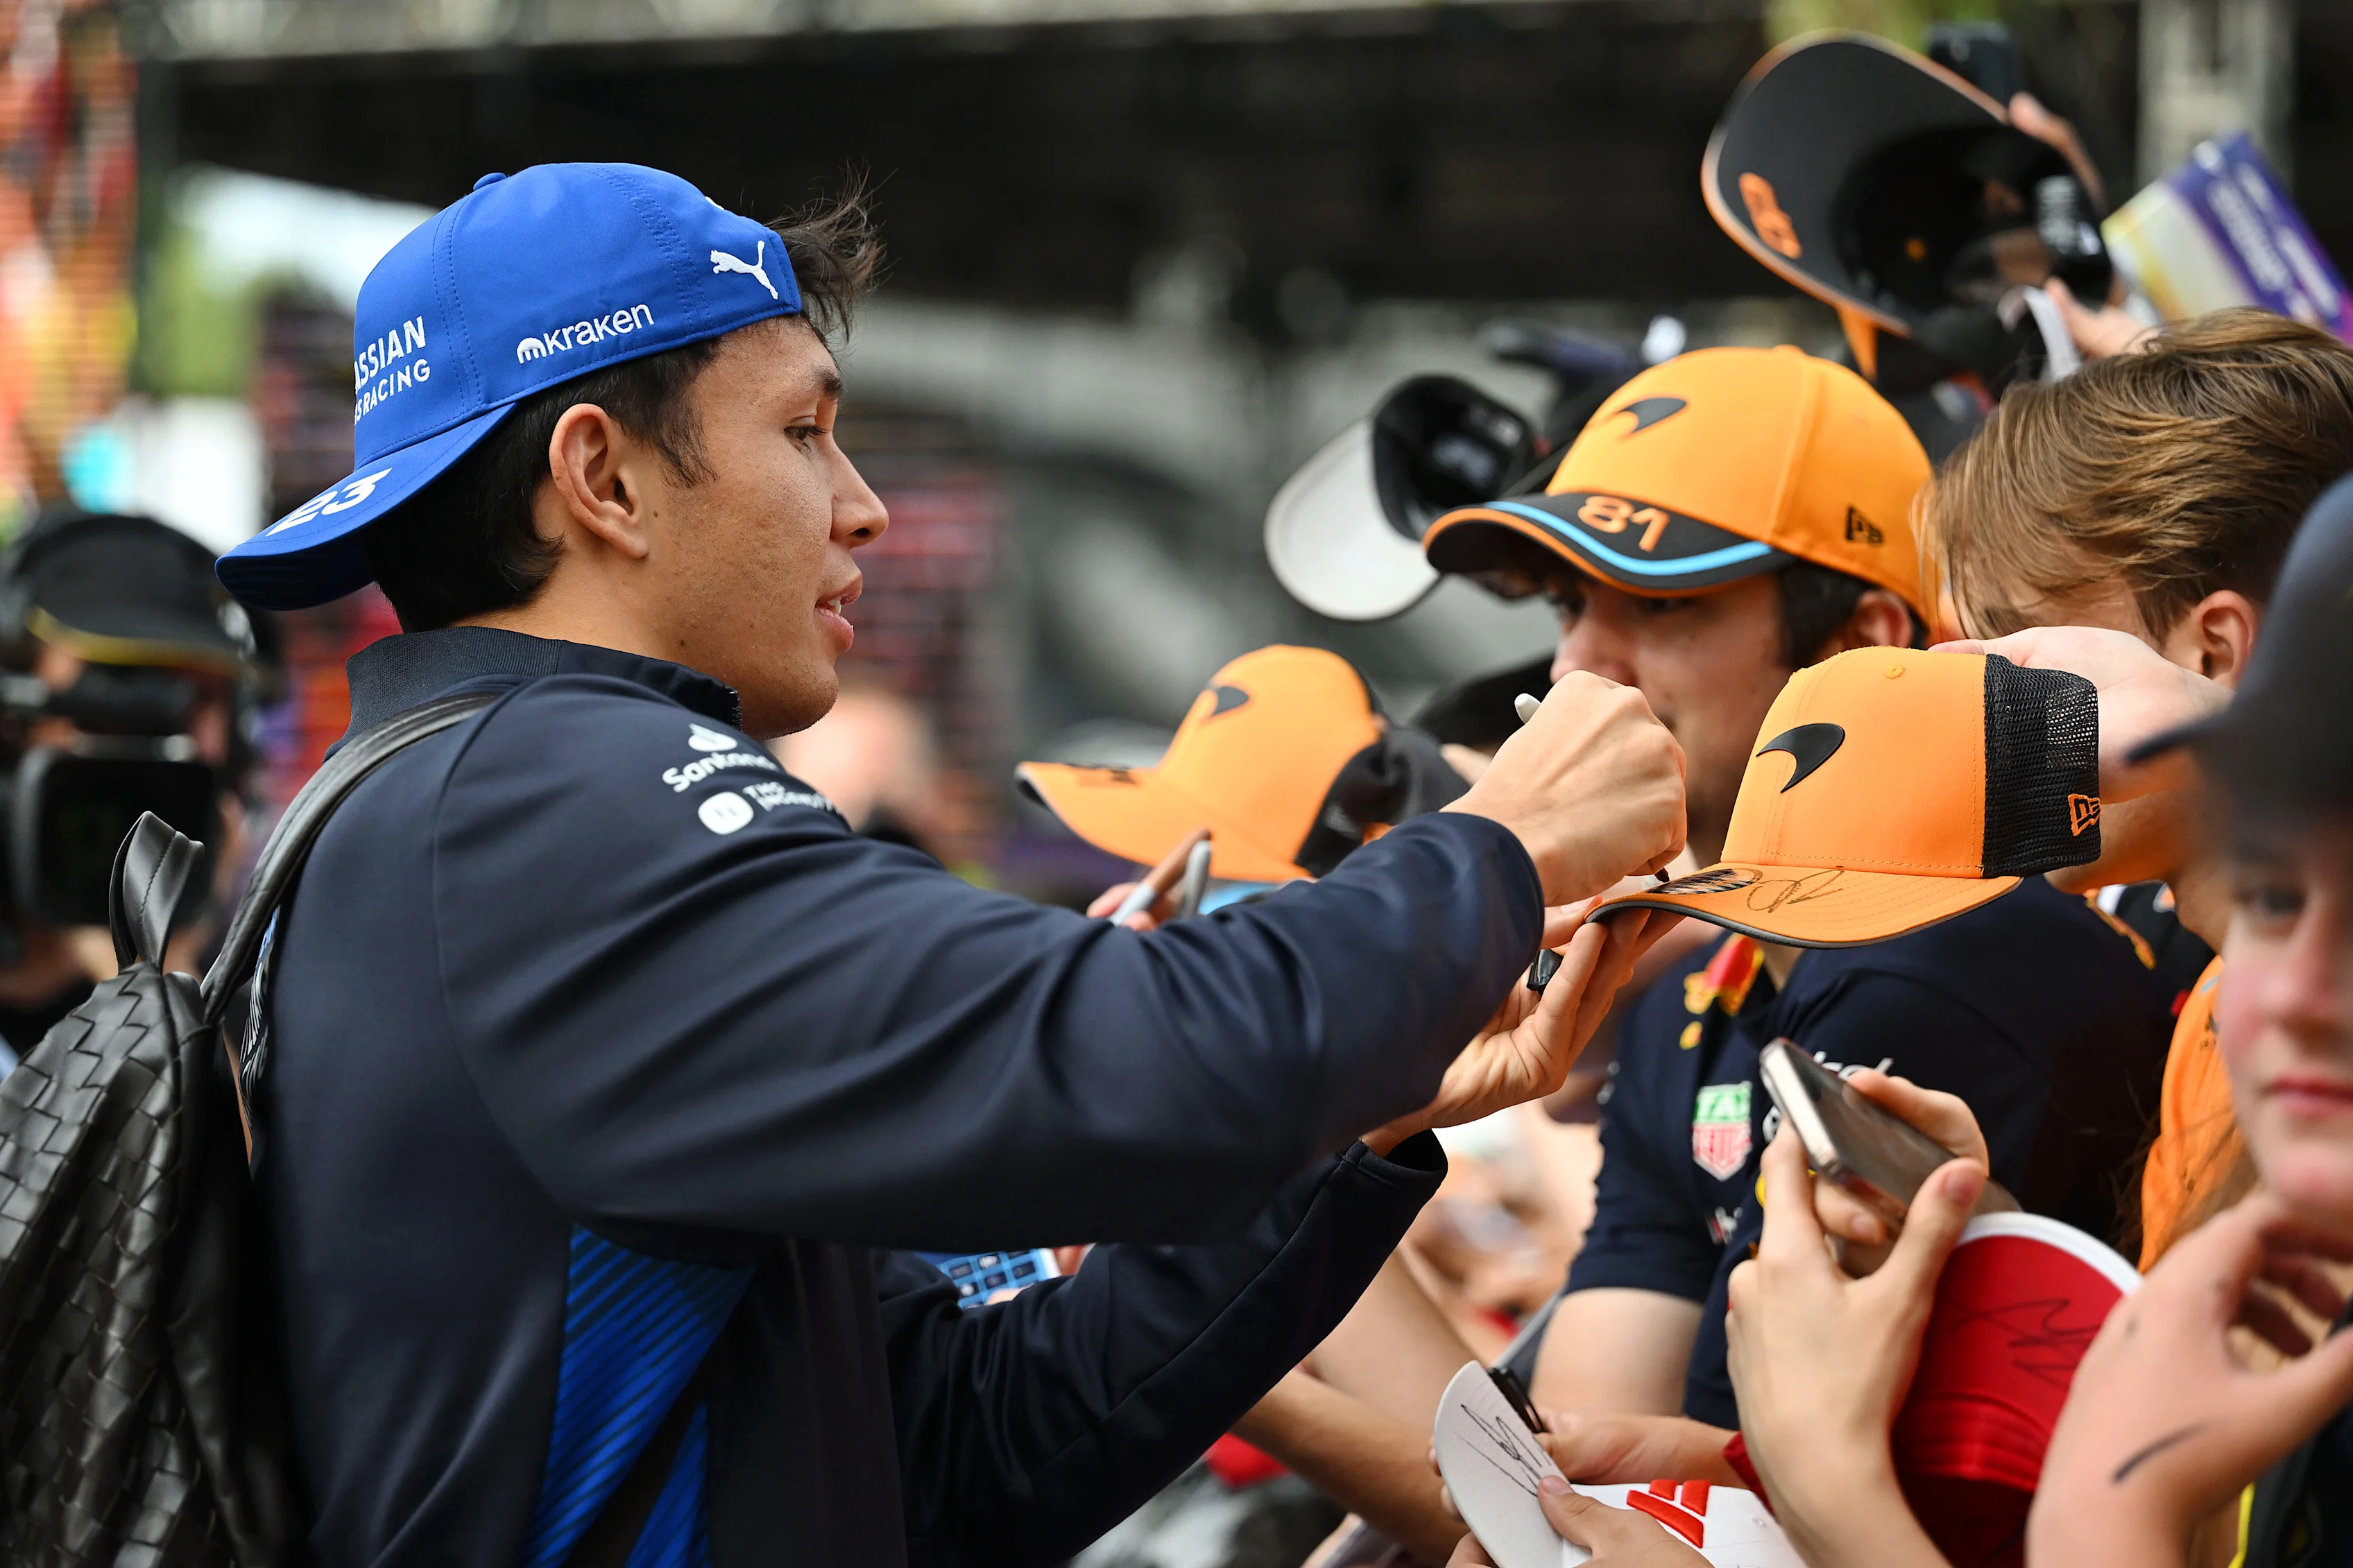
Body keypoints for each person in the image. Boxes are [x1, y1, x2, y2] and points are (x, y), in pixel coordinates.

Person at [208, 164, 1689, 1567]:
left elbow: (958, 1456)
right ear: (601, 476)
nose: (861, 503)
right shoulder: (549, 803)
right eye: (802, 432)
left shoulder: (459, 808)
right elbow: (1123, 1053)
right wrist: (1498, 846)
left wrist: (1359, 1117)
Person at [1423, 345, 2173, 1431]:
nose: (1578, 665)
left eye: (1658, 602)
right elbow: (1581, 1483)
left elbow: (1697, 1516)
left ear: (1864, 640)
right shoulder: (1697, 1001)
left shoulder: (1939, 962)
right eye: (1564, 603)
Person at [1713, 474, 2353, 1568]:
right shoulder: (2265, 1165)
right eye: (2271, 900)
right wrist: (2001, 1244)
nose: (2293, 988)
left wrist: (1831, 1490)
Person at [1922, 307, 2353, 1264]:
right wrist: (2000, 1233)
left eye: (2015, 644)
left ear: (2215, 652)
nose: (1979, 698)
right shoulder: (2220, 1001)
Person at [0, 509, 269, 1064]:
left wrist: (160, 973)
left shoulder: (263, 1002)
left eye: (184, 704)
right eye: (107, 697)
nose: (133, 753)